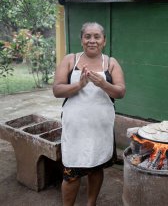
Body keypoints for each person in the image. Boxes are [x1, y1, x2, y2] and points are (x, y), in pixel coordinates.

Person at [53, 22, 125, 206]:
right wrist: (79, 85)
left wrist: (103, 84)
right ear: (81, 40)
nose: (92, 41)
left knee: (96, 166)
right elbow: (57, 90)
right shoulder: (71, 60)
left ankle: (90, 203)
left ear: (104, 41)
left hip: (100, 127)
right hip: (75, 127)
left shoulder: (110, 63)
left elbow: (120, 92)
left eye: (96, 37)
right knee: (72, 171)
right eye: (87, 36)